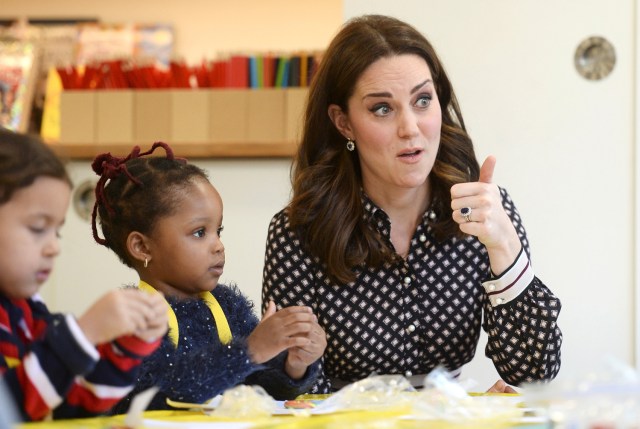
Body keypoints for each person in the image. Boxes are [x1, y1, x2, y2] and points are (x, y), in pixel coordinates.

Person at [261, 14, 562, 394]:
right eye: (382, 109)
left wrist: (504, 246)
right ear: (344, 123)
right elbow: (279, 389)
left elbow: (536, 374)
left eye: (422, 101)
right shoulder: (297, 231)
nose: (410, 128)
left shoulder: (482, 212)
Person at [90, 142, 326, 414]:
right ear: (142, 247)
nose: (218, 246)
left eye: (219, 231)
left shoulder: (228, 307)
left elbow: (261, 387)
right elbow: (163, 391)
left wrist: (294, 364)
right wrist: (248, 352)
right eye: (200, 232)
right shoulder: (134, 318)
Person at [0, 128, 168, 421]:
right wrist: (83, 334)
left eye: (57, 232)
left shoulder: (28, 310)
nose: (53, 247)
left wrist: (125, 345)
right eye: (38, 228)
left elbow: (73, 405)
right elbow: (8, 410)